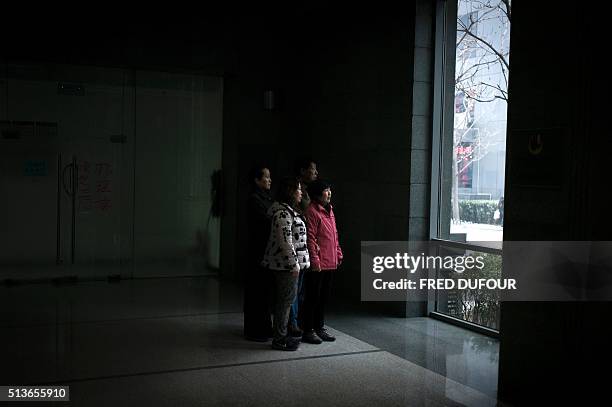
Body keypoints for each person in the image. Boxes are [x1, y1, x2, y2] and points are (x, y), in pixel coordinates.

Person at [261, 177, 310, 351]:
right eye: (297, 189)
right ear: (289, 191)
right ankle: (279, 339)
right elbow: (285, 241)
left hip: (290, 265)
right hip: (285, 266)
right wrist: (294, 264)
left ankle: (282, 335)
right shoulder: (283, 213)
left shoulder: (290, 211)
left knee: (287, 300)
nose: (301, 192)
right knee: (285, 301)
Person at [301, 179, 343, 344]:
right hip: (318, 264)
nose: (329, 193)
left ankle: (319, 327)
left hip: (330, 262)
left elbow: (335, 234)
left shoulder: (329, 210)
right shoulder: (312, 211)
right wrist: (315, 261)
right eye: (326, 190)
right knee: (313, 297)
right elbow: (310, 238)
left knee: (323, 298)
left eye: (329, 190)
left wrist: (338, 253)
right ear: (317, 194)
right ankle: (308, 330)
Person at [286, 158, 318, 337]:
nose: (316, 173)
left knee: (301, 291)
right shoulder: (293, 203)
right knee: (294, 292)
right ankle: (292, 324)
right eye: (312, 170)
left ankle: (297, 323)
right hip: (297, 254)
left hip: (303, 252)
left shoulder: (307, 192)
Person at [243, 165, 274, 342]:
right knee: (257, 292)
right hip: (258, 251)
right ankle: (255, 330)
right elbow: (265, 223)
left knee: (263, 292)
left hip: (264, 251)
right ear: (257, 180)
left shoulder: (265, 198)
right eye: (266, 177)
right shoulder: (255, 200)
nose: (269, 180)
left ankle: (263, 327)